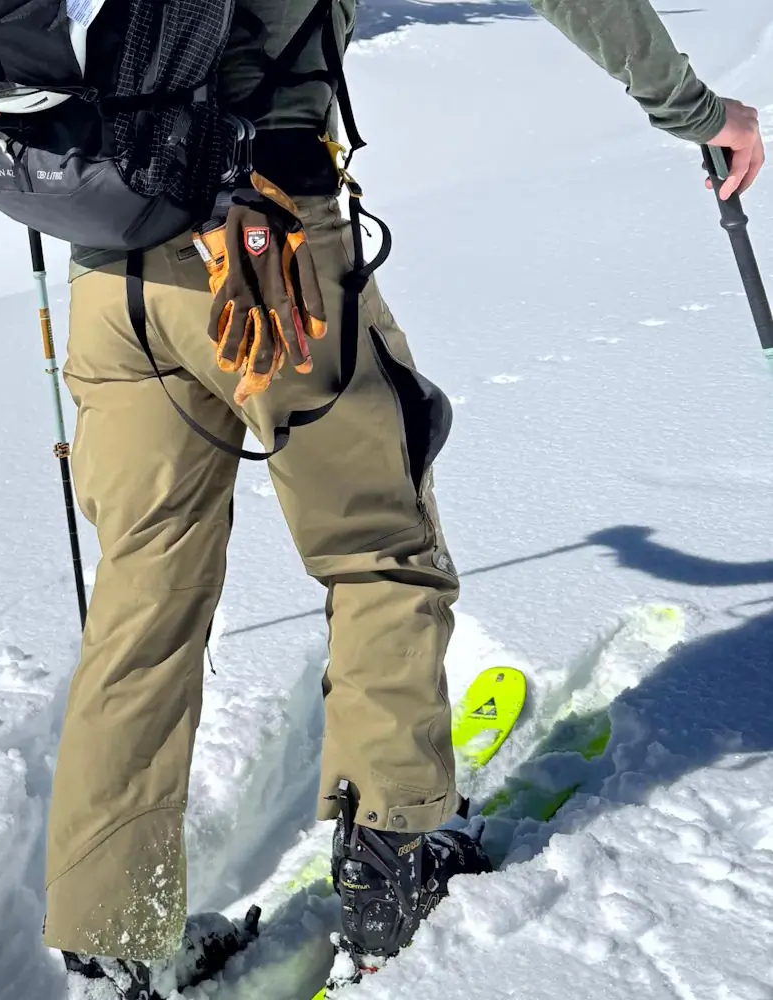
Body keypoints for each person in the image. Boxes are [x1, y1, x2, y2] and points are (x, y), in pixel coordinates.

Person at [43, 0, 765, 996]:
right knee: (380, 546)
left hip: (107, 253)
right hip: (265, 249)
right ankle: (397, 848)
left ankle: (116, 925)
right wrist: (697, 110)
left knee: (141, 597)